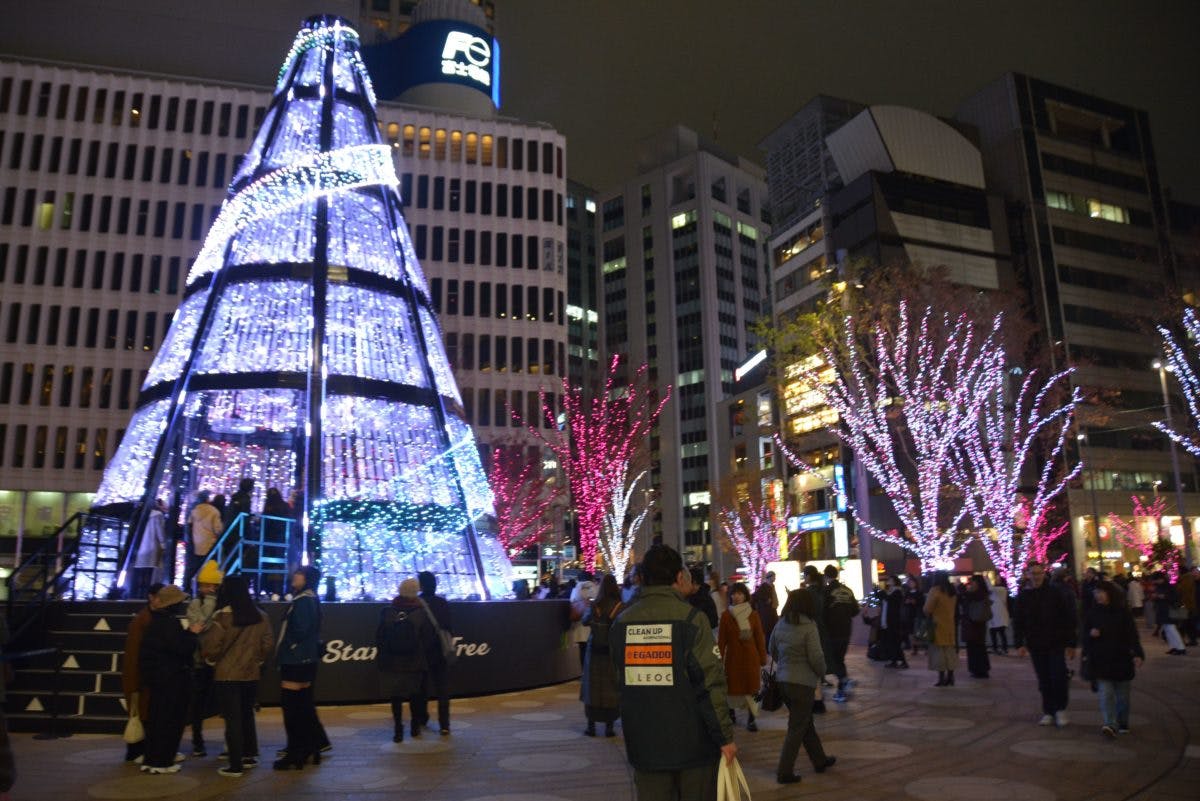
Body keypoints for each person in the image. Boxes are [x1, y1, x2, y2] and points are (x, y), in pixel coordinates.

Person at [612, 544, 736, 801]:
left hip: (644, 744)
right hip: (694, 746)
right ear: (679, 577)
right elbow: (710, 684)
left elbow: (620, 683)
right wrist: (724, 737)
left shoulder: (621, 623)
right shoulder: (692, 620)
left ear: (643, 579)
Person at [201, 576, 274, 778]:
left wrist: (213, 661)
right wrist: (257, 660)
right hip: (251, 673)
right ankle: (250, 755)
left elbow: (211, 647)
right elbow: (268, 644)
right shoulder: (261, 616)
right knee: (247, 714)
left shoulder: (222, 617)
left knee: (232, 719)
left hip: (227, 675)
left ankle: (235, 764)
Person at [769, 589, 836, 785]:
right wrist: (822, 672)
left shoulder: (780, 623)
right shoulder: (809, 626)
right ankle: (784, 771)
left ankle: (819, 760)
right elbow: (816, 658)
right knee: (797, 727)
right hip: (803, 683)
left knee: (804, 722)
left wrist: (785, 662)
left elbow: (771, 649)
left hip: (783, 681)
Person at [139, 585, 204, 774]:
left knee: (156, 720)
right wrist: (192, 633)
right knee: (170, 721)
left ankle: (151, 759)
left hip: (157, 679)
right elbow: (181, 649)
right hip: (173, 680)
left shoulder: (154, 622)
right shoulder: (170, 624)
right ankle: (163, 762)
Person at [1013, 562, 1078, 727]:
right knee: (1043, 679)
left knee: (1058, 676)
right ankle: (1048, 711)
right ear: (1027, 575)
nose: (1036, 577)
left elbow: (1067, 617)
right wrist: (1019, 643)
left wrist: (1071, 643)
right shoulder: (1024, 596)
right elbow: (1019, 621)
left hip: (1055, 642)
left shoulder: (1055, 593)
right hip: (1036, 643)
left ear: (1044, 574)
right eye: (1032, 573)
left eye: (1039, 573)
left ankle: (1060, 709)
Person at [275, 566, 326, 770]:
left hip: (295, 660)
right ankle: (307, 747)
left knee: (292, 707)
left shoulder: (303, 601)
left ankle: (296, 751)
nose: (294, 575)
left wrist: (291, 645)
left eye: (299, 573)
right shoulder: (310, 599)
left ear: (306, 578)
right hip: (304, 660)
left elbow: (300, 629)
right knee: (302, 706)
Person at [376, 578, 438, 743]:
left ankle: (398, 729)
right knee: (415, 695)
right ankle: (414, 727)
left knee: (396, 697)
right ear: (416, 592)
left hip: (393, 662)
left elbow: (379, 638)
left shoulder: (387, 611)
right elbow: (428, 638)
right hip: (415, 661)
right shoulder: (421, 612)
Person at [1083, 580, 1144, 737]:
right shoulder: (1092, 613)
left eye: (1101, 592)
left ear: (1110, 593)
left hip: (1121, 659)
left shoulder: (1122, 612)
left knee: (1123, 696)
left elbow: (1132, 635)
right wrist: (1091, 635)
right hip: (1101, 659)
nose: (1098, 596)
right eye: (1096, 592)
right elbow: (1084, 637)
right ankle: (1110, 724)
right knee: (1106, 693)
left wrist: (1137, 654)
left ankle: (1122, 722)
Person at [121, 583, 163, 763]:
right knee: (141, 713)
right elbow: (134, 653)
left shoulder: (146, 618)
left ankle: (138, 751)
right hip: (141, 676)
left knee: (143, 714)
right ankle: (136, 751)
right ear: (151, 597)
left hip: (145, 674)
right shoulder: (143, 620)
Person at [718, 582, 767, 732]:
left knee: (751, 689)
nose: (736, 596)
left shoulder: (753, 615)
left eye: (740, 593)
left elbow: (759, 637)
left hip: (750, 658)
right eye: (733, 593)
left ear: (745, 595)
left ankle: (751, 719)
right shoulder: (726, 616)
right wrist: (718, 658)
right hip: (733, 658)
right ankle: (731, 713)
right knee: (732, 687)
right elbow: (721, 640)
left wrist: (762, 658)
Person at [185, 560, 221, 757]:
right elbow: (202, 625)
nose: (206, 589)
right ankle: (197, 740)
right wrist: (210, 603)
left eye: (209, 585)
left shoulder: (196, 604)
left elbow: (199, 626)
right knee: (199, 702)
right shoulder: (202, 604)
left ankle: (199, 741)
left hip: (208, 659)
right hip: (203, 660)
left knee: (204, 702)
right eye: (204, 585)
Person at [581, 574, 623, 737]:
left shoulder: (595, 605)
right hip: (612, 651)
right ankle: (609, 728)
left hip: (594, 651)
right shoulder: (620, 606)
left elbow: (585, 621)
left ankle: (591, 726)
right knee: (611, 686)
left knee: (592, 685)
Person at [414, 571, 453, 735]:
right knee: (442, 689)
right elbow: (448, 626)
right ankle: (444, 724)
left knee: (421, 688)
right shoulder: (442, 602)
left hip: (421, 651)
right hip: (440, 651)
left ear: (421, 585)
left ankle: (422, 718)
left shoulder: (416, 603)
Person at [822, 565, 858, 702]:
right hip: (846, 630)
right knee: (839, 659)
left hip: (832, 631)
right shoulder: (848, 590)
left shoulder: (827, 591)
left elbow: (822, 611)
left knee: (833, 660)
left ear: (826, 576)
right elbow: (855, 611)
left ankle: (843, 681)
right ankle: (842, 687)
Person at [802, 565, 830, 713]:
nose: (803, 577)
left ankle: (817, 701)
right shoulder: (822, 590)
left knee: (810, 666)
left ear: (809, 576)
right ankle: (818, 700)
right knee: (816, 664)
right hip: (822, 630)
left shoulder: (809, 593)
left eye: (804, 575)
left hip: (811, 630)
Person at [923, 572, 959, 687]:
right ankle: (951, 677)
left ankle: (941, 678)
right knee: (949, 651)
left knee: (939, 652)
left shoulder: (935, 590)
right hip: (950, 624)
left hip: (937, 625)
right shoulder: (952, 590)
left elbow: (927, 608)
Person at [184, 492, 222, 593]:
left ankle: (189, 589)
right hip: (209, 544)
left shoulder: (194, 511)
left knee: (193, 568)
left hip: (196, 544)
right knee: (209, 568)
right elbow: (218, 529)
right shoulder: (214, 511)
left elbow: (189, 526)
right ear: (207, 499)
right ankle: (207, 590)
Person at [132, 501, 167, 599]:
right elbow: (160, 531)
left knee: (141, 572)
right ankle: (146, 595)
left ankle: (138, 594)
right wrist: (163, 544)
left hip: (141, 548)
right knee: (149, 573)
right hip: (152, 547)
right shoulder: (158, 515)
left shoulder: (143, 514)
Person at [961, 575, 992, 678]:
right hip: (978, 624)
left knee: (975, 648)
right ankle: (981, 669)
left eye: (973, 582)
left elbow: (965, 598)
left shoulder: (976, 594)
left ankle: (978, 669)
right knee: (978, 647)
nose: (971, 584)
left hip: (973, 623)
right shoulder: (983, 594)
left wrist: (963, 589)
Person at [1151, 572, 1188, 655]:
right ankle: (1173, 647)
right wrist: (1156, 597)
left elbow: (1175, 598)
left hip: (1169, 611)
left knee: (1172, 629)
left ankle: (1181, 648)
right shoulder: (1159, 586)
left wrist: (1163, 596)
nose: (1156, 582)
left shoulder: (1169, 586)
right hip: (1162, 610)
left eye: (1157, 580)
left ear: (1161, 579)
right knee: (1167, 630)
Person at [569, 572, 600, 668]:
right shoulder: (596, 589)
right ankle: (591, 671)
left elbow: (572, 603)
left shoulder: (576, 589)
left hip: (580, 625)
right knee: (592, 650)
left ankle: (583, 671)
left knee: (582, 649)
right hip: (592, 624)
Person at [879, 575, 908, 669]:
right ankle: (894, 661)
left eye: (890, 580)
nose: (889, 581)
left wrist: (883, 594)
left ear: (895, 581)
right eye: (889, 579)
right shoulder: (889, 592)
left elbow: (891, 601)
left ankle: (903, 661)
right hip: (888, 620)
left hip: (894, 620)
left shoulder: (897, 592)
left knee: (895, 642)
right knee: (892, 642)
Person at [752, 573, 780, 643]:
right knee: (768, 631)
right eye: (774, 576)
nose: (775, 578)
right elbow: (755, 596)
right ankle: (768, 648)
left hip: (772, 610)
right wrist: (766, 599)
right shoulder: (764, 586)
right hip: (766, 612)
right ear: (769, 577)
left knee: (773, 629)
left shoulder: (771, 586)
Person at [989, 575, 1012, 654]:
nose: (996, 580)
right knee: (997, 632)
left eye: (998, 579)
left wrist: (986, 578)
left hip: (999, 614)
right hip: (996, 614)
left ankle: (1002, 648)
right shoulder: (998, 590)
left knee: (999, 632)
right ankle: (1000, 648)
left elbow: (990, 588)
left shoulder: (1002, 589)